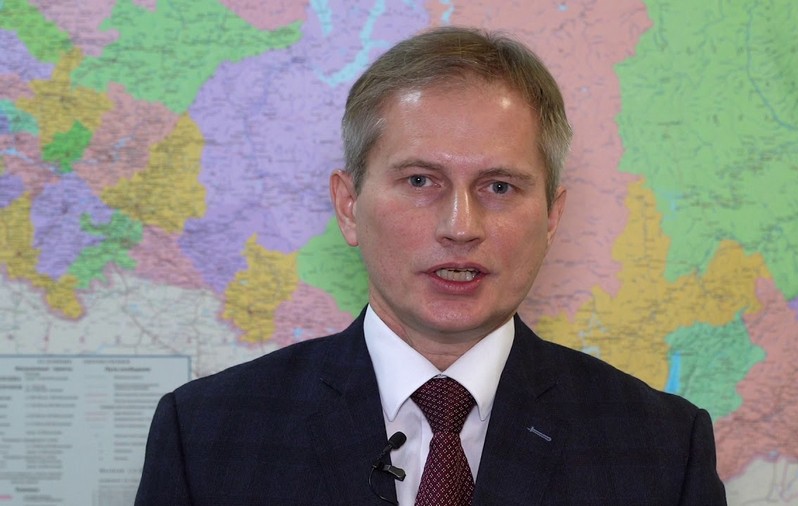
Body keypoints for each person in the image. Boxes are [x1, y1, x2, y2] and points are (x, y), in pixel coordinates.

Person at [135, 26, 727, 505]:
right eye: (421, 181)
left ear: (551, 216)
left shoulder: (663, 448)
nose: (460, 226)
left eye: (499, 186)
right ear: (349, 206)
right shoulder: (207, 435)